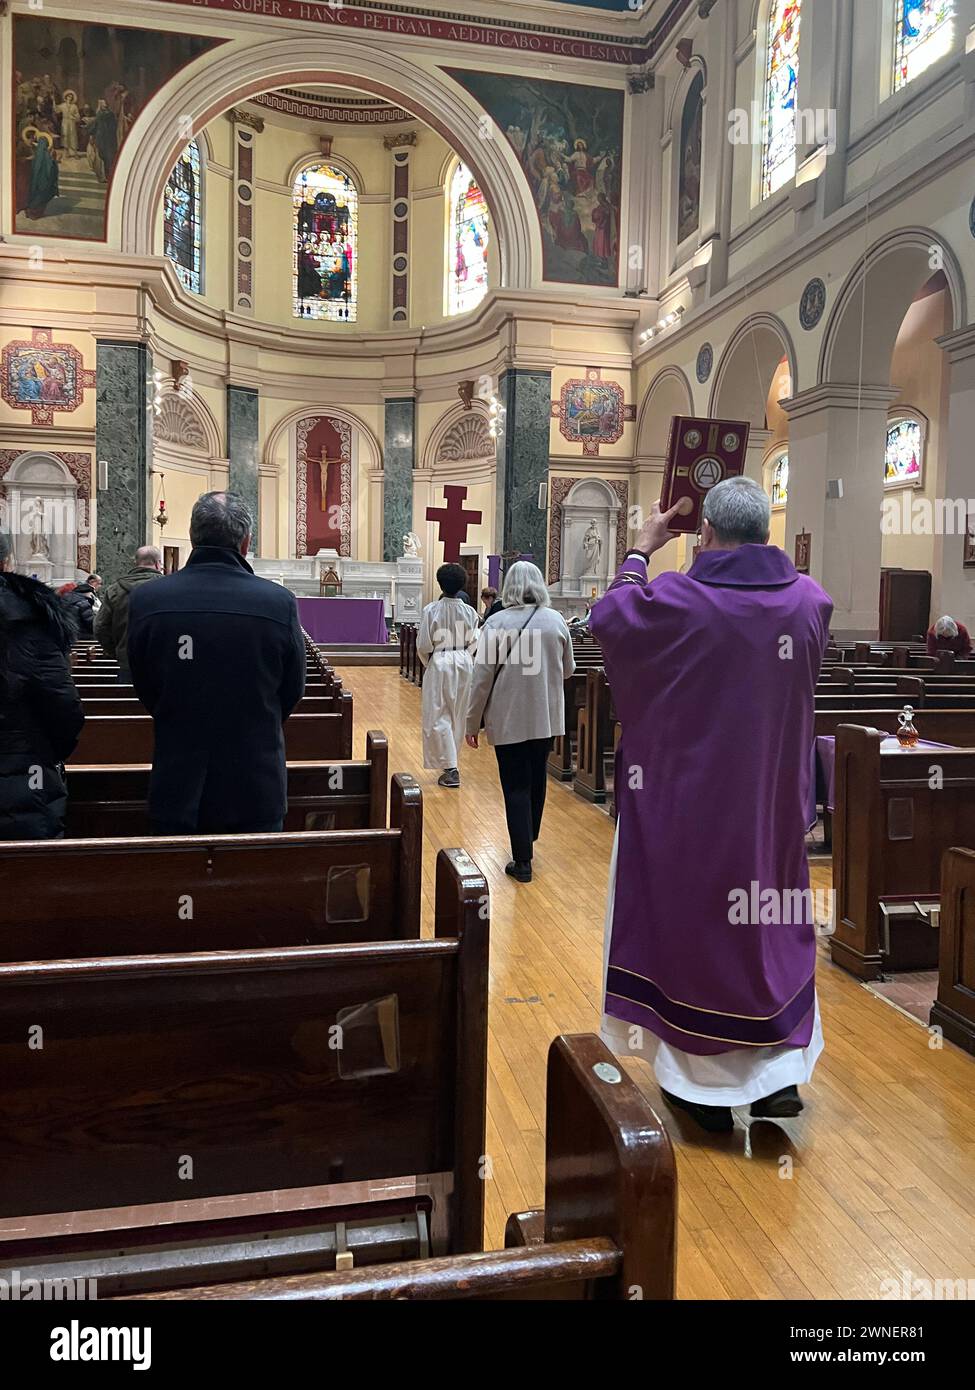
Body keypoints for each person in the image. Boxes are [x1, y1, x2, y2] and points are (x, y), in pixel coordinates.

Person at [591, 479, 833, 1133]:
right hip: (772, 808)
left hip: (688, 805)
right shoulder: (809, 603)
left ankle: (701, 1093)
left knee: (698, 935)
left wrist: (641, 550)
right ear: (765, 533)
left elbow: (609, 620)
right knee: (769, 933)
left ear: (705, 535)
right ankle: (776, 1076)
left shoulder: (677, 598)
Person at [126, 491, 306, 835]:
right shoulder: (278, 603)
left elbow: (145, 685)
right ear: (246, 542)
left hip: (176, 781)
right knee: (253, 886)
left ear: (193, 535)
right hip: (255, 785)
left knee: (178, 883)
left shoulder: (148, 599)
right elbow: (292, 690)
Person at [465, 561, 575, 882]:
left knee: (515, 785)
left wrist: (472, 724)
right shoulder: (555, 621)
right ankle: (529, 836)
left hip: (509, 717)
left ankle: (522, 859)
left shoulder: (496, 624)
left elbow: (481, 679)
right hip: (545, 717)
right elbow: (568, 669)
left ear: (509, 586)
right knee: (537, 777)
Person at [0, 532, 84, 839]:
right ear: (6, 562)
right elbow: (64, 708)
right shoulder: (32, 620)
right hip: (26, 782)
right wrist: (44, 752)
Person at [417, 562, 479, 789]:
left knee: (438, 714)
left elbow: (424, 644)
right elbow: (475, 642)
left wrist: (430, 663)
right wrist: (465, 659)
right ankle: (451, 764)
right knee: (458, 713)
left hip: (441, 660)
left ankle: (451, 768)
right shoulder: (470, 612)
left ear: (440, 583)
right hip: (464, 661)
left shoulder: (431, 610)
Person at [94, 546, 163, 681]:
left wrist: (117, 651)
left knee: (126, 700)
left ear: (135, 563)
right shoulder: (168, 587)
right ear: (157, 563)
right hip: (161, 661)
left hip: (128, 662)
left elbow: (100, 626)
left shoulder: (114, 590)